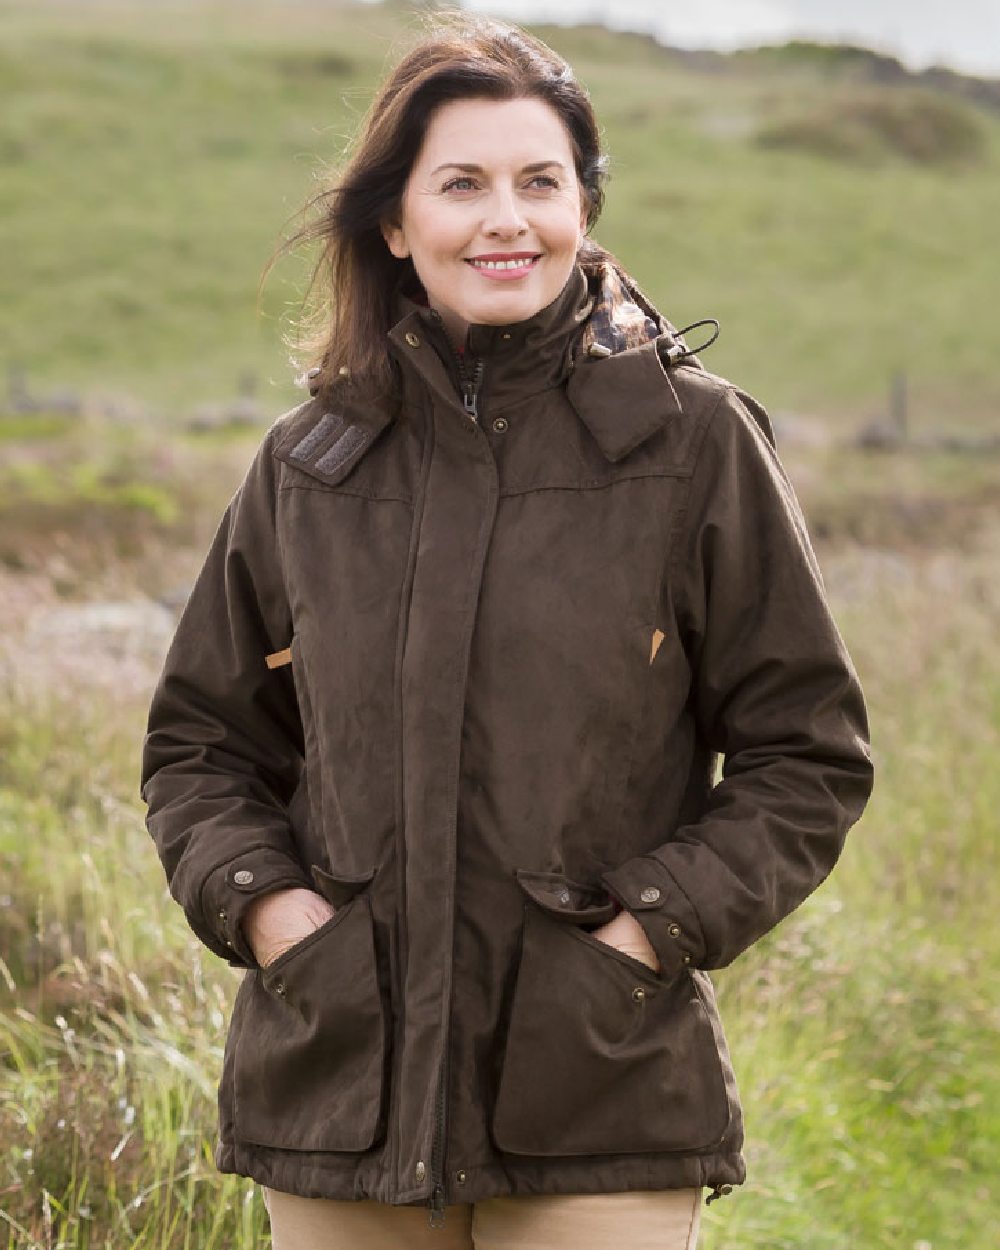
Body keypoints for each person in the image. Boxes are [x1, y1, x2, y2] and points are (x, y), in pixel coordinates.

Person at [139, 14, 874, 1250]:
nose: (506, 220)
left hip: (598, 1089)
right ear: (393, 222)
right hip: (341, 1094)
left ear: (582, 203)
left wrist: (647, 931)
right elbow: (201, 745)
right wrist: (270, 912)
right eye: (462, 184)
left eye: (540, 182)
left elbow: (810, 754)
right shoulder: (305, 468)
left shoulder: (691, 446)